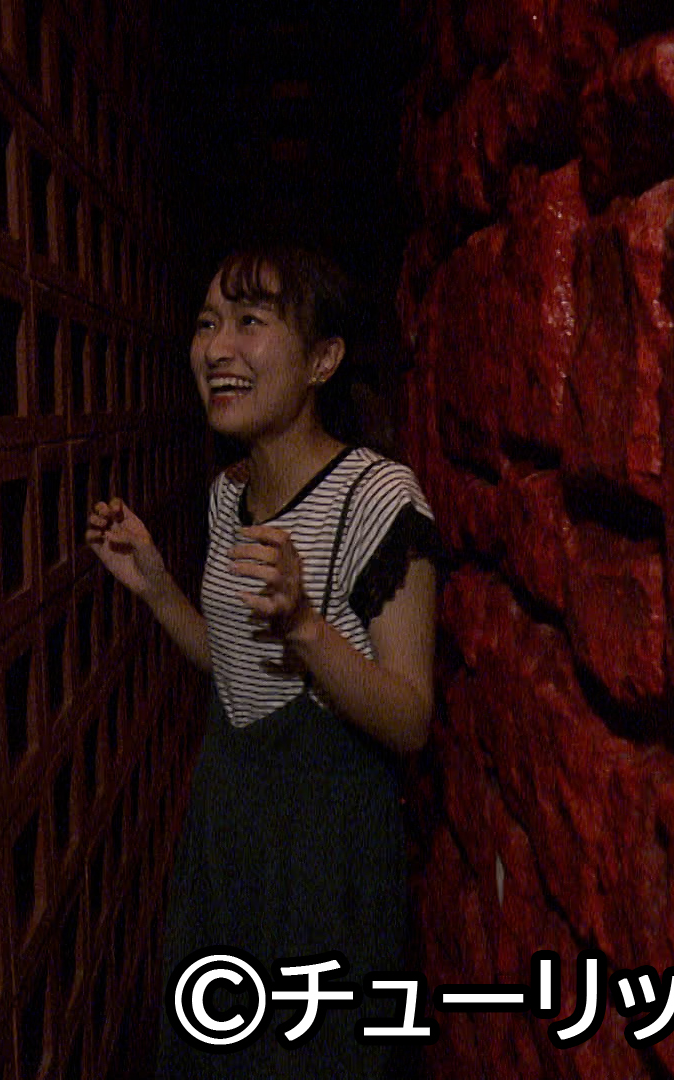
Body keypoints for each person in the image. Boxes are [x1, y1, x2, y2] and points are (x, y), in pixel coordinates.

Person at [85, 245, 440, 1077]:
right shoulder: (228, 495)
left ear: (322, 359)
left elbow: (410, 720)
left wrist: (308, 624)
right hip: (228, 822)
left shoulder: (377, 497)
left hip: (327, 851)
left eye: (250, 322)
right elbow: (236, 672)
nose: (217, 348)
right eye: (208, 323)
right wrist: (157, 587)